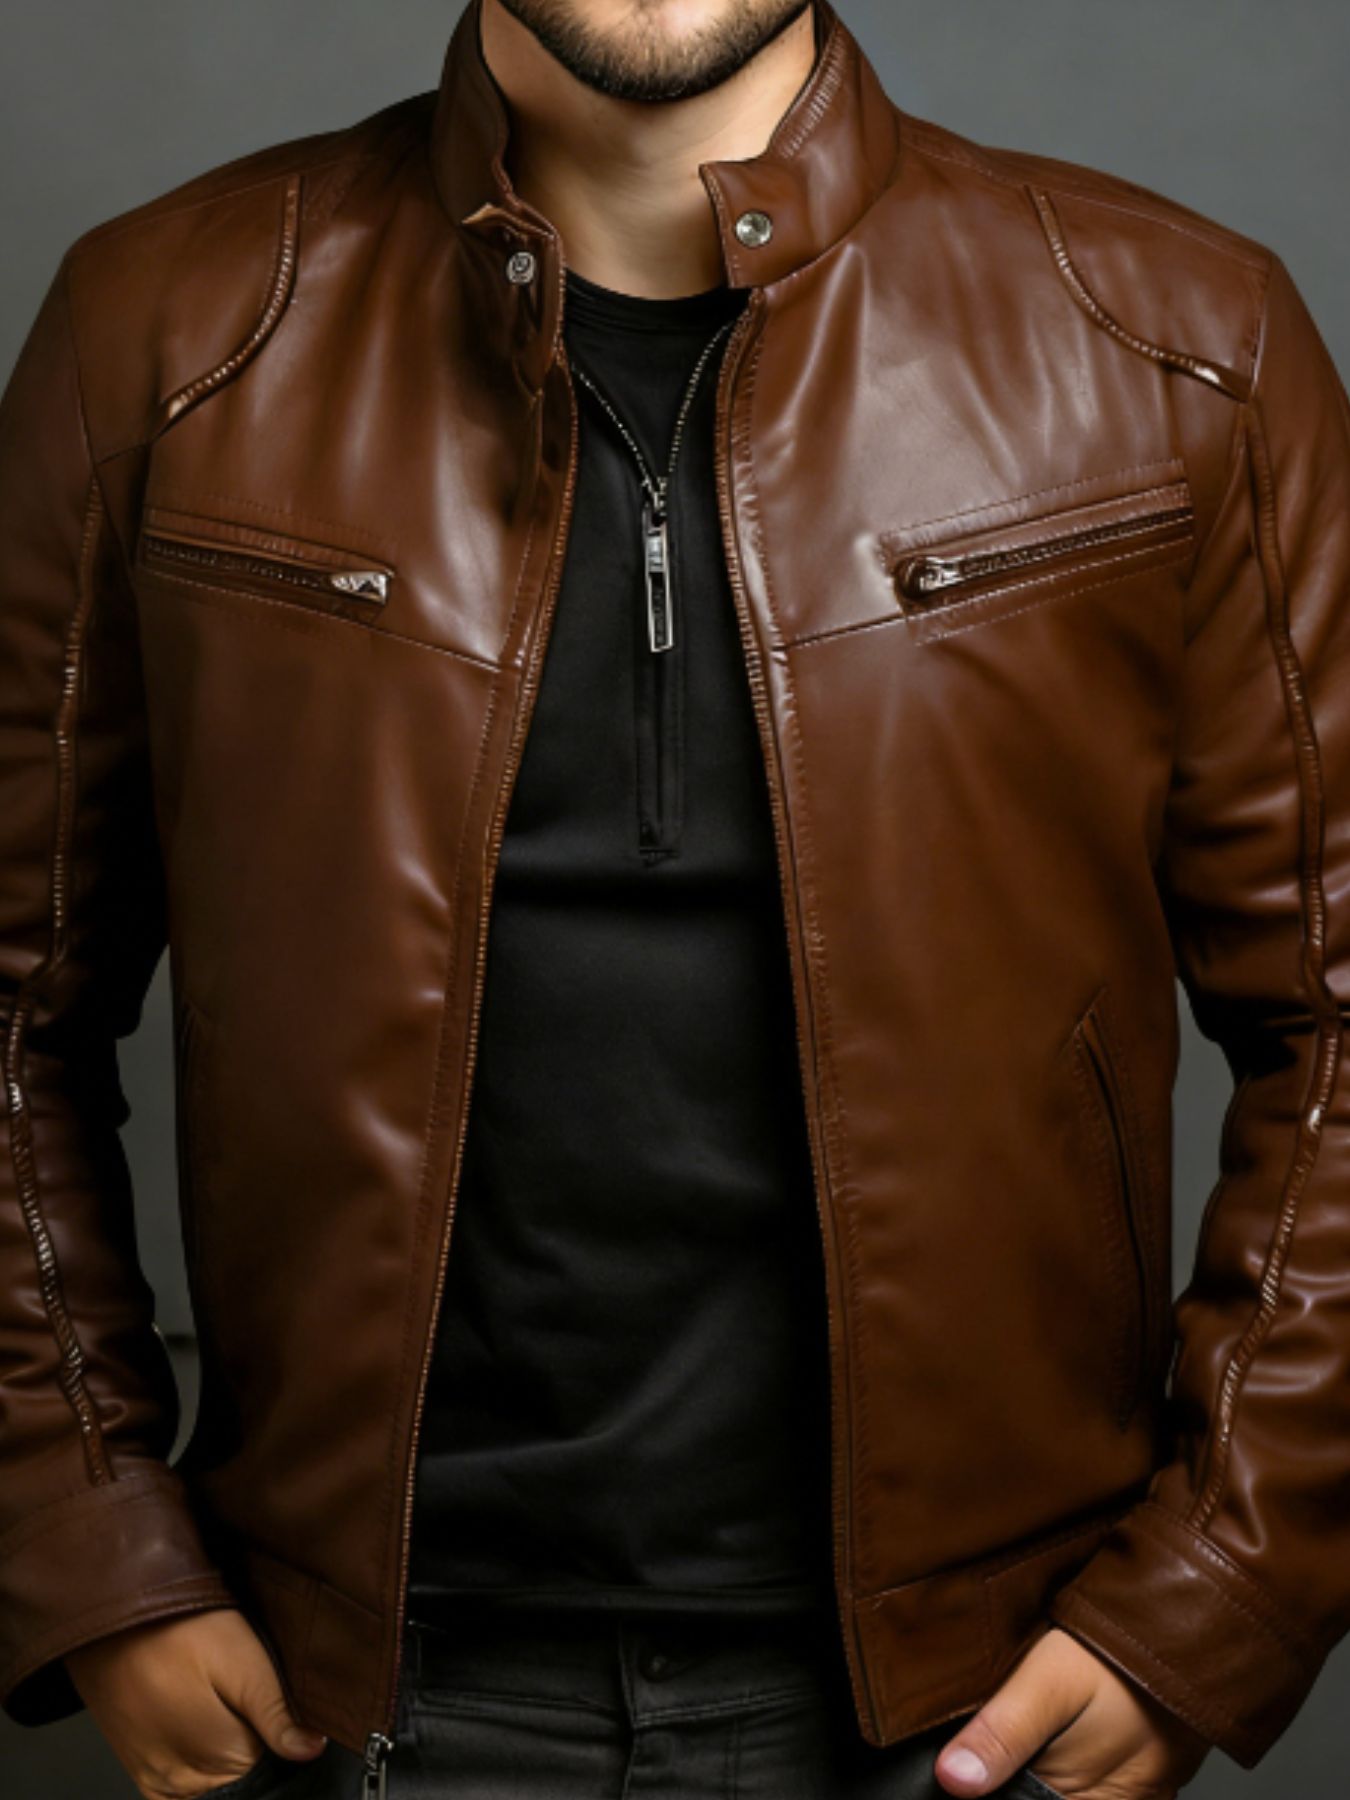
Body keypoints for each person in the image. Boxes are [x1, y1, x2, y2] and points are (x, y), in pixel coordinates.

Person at [1, 0, 1347, 1795]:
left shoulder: (1176, 340)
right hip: (356, 1688)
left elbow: (1332, 1018)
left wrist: (1212, 1589)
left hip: (972, 1695)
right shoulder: (165, 325)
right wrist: (88, 1540)